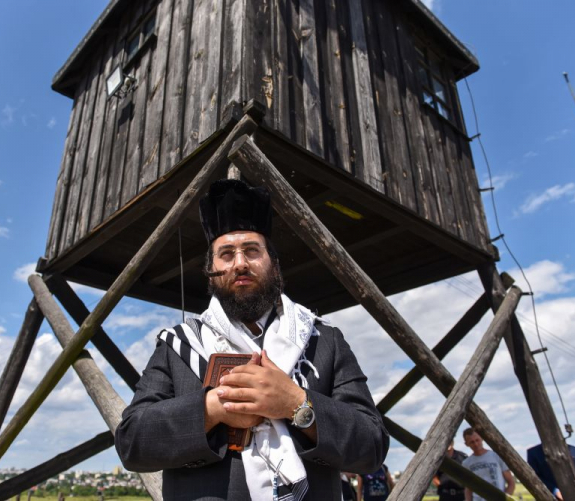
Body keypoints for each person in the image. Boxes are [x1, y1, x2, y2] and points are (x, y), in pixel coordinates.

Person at [115, 179, 389, 500]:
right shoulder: (179, 344)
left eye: (252, 250)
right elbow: (132, 443)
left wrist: (297, 405)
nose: (240, 263)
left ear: (273, 263)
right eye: (227, 253)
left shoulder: (323, 339)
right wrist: (213, 408)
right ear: (211, 270)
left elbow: (371, 447)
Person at [462, 428, 515, 501]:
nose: (476, 444)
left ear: (482, 438)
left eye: (477, 440)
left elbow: (511, 482)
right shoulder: (466, 463)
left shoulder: (496, 456)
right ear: (466, 444)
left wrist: (506, 498)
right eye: (472, 442)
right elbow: (468, 487)